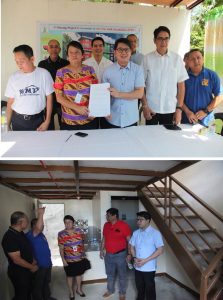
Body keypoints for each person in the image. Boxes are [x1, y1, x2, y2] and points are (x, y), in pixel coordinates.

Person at [141, 26, 188, 125]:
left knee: (168, 138)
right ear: (154, 40)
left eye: (166, 38)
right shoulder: (147, 59)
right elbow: (141, 85)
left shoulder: (176, 59)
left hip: (170, 108)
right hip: (151, 108)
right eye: (160, 38)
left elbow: (181, 86)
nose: (163, 42)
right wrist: (145, 106)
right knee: (150, 137)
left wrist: (179, 109)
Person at [5, 44, 53, 131]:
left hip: (38, 120)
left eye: (22, 61)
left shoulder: (44, 74)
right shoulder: (13, 77)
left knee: (39, 144)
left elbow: (49, 98)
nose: (19, 65)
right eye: (16, 62)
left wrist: (47, 121)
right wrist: (7, 125)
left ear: (32, 59)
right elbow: (10, 102)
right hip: (18, 121)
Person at [54, 41, 99, 130]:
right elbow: (59, 97)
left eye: (77, 52)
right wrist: (77, 108)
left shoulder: (90, 70)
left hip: (89, 119)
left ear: (82, 55)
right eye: (71, 52)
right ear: (67, 56)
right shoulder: (61, 72)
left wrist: (94, 111)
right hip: (69, 121)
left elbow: (96, 92)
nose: (74, 55)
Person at [101, 38, 145, 129]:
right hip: (111, 118)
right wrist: (104, 110)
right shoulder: (107, 71)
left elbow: (140, 93)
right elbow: (104, 95)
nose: (123, 53)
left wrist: (118, 94)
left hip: (131, 119)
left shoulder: (138, 70)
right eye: (120, 50)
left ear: (131, 51)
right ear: (115, 52)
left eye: (126, 50)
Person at [1, 211, 38, 300]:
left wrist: (32, 259)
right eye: (27, 220)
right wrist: (32, 267)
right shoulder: (9, 237)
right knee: (22, 295)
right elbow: (16, 259)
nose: (28, 222)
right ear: (20, 222)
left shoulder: (20, 233)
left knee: (28, 292)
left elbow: (26, 248)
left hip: (27, 270)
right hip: (19, 273)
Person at [182, 49, 223, 126]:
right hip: (186, 119)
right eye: (192, 59)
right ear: (188, 61)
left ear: (203, 59)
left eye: (198, 57)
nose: (196, 61)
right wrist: (188, 112)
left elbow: (220, 96)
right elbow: (178, 97)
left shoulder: (212, 75)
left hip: (207, 120)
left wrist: (205, 111)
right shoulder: (183, 77)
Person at [129, 211, 164, 300]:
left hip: (149, 267)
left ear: (148, 220)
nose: (138, 222)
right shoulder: (136, 233)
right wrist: (134, 257)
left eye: (141, 220)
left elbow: (160, 250)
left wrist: (145, 260)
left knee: (150, 289)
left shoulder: (155, 233)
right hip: (137, 266)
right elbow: (131, 247)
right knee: (139, 288)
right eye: (137, 220)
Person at [100, 208, 132, 300]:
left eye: (108, 215)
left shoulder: (124, 225)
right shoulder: (106, 225)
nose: (106, 217)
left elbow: (129, 240)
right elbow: (104, 238)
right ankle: (110, 290)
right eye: (106, 215)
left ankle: (122, 293)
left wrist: (129, 254)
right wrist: (101, 249)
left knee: (122, 275)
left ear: (114, 216)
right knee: (110, 274)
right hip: (108, 255)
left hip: (120, 255)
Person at [26, 207, 57, 300]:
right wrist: (41, 214)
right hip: (39, 266)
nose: (42, 226)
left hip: (46, 264)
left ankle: (47, 297)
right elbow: (39, 228)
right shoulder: (32, 235)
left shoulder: (40, 234)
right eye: (40, 224)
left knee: (46, 283)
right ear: (33, 226)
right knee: (37, 286)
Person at [38, 39, 69, 130]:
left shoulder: (66, 63)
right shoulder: (42, 64)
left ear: (59, 49)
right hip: (48, 100)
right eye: (51, 47)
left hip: (62, 100)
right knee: (49, 127)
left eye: (56, 47)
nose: (54, 49)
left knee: (64, 127)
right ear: (47, 49)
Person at [58, 215, 90, 300]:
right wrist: (63, 260)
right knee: (70, 276)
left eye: (69, 222)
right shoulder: (61, 234)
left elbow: (82, 243)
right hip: (68, 260)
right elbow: (61, 248)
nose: (68, 224)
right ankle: (71, 292)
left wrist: (83, 253)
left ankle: (78, 290)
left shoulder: (79, 231)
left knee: (79, 274)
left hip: (79, 258)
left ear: (73, 223)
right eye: (66, 222)